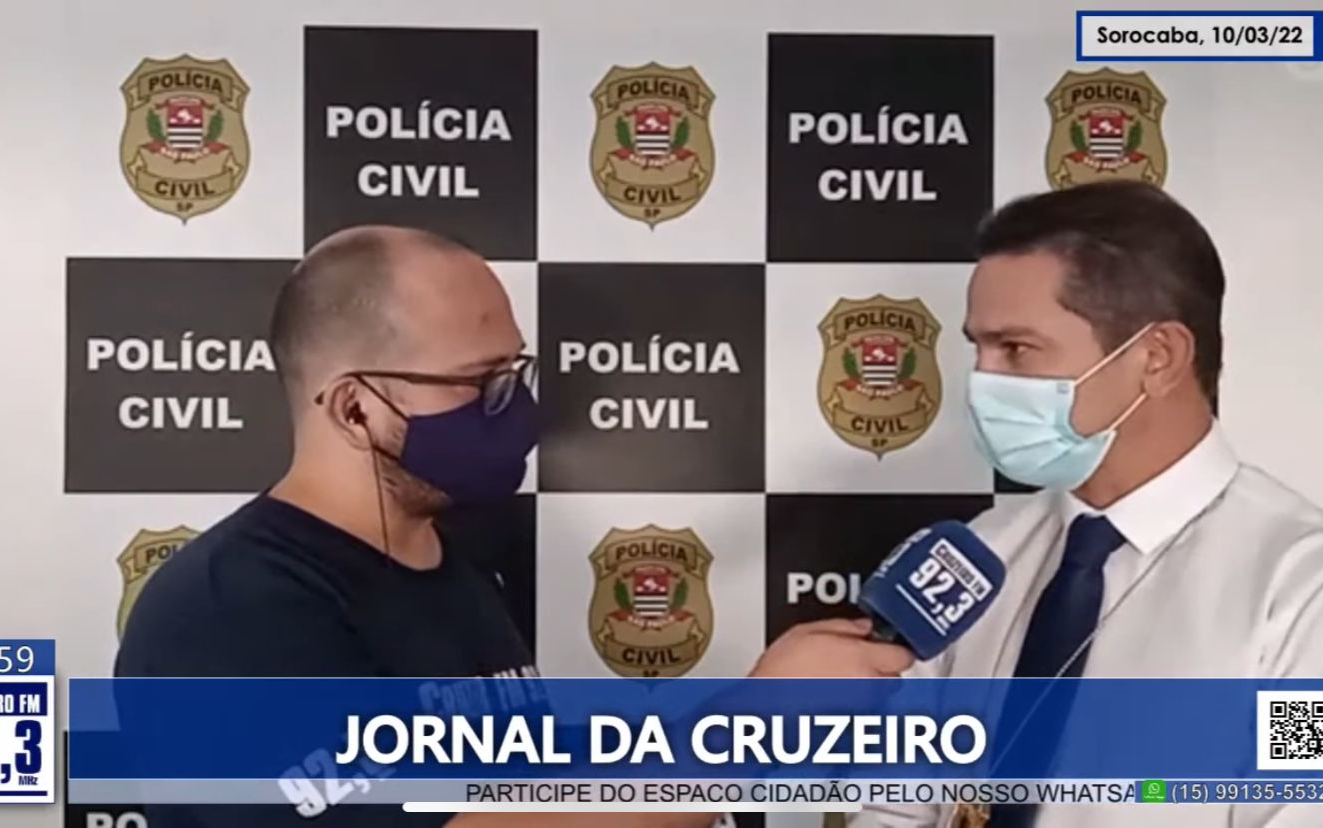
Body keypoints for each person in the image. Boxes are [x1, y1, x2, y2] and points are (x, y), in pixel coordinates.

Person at [117, 225, 913, 827]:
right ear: (355, 408)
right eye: (480, 382)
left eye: (515, 371)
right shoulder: (228, 615)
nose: (521, 411)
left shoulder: (457, 555)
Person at [853, 181, 1323, 828]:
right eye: (977, 348)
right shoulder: (979, 557)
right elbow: (893, 806)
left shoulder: (1314, 596)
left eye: (1016, 349)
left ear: (1158, 357)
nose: (982, 383)